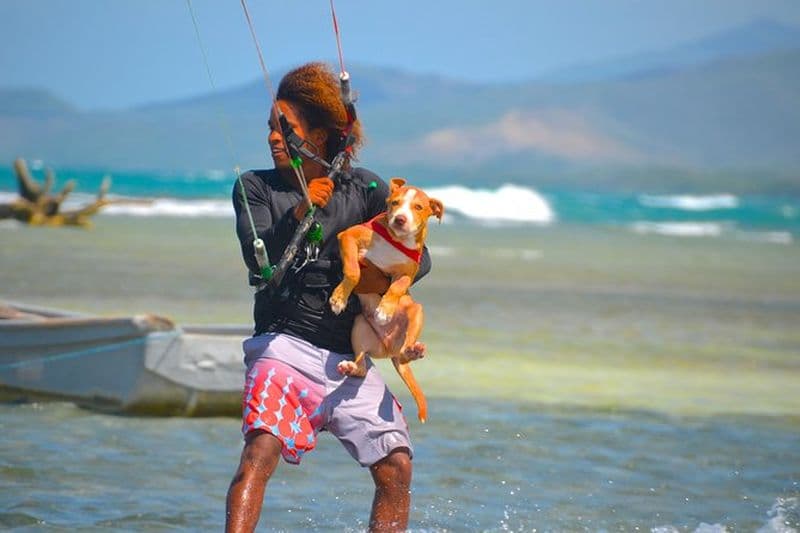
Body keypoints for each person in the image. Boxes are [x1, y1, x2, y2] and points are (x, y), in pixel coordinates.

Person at [226, 62, 431, 532]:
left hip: (346, 356)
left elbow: (420, 259)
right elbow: (259, 259)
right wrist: (301, 208)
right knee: (260, 451)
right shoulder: (256, 188)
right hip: (283, 346)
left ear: (318, 136)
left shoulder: (366, 188)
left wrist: (382, 294)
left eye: (286, 129)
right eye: (270, 130)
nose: (274, 138)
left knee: (396, 464)